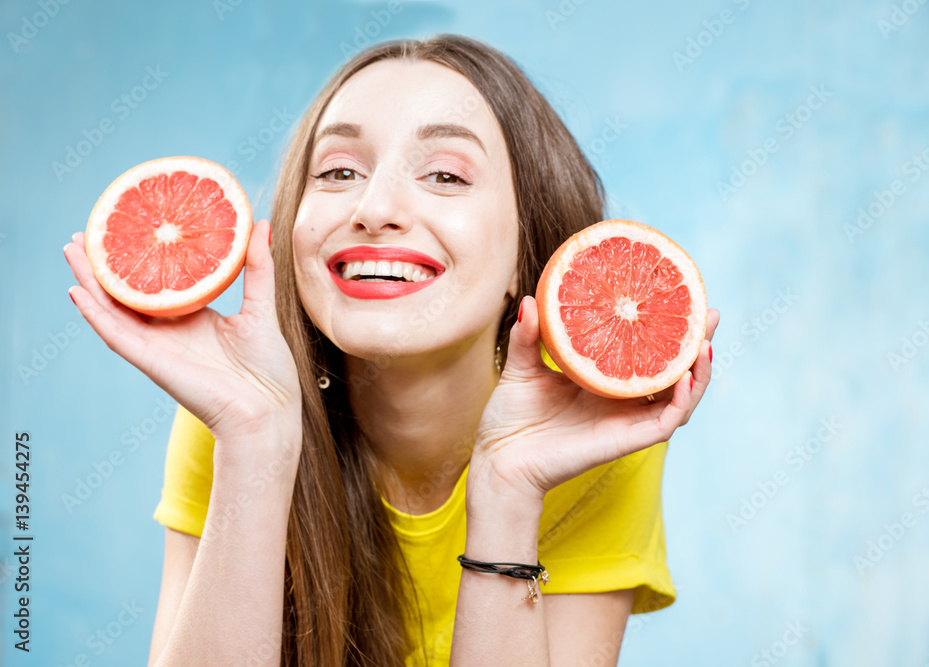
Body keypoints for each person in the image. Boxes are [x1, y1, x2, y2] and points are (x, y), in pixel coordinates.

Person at [64, 34, 720, 667]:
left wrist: (511, 488)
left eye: (445, 175)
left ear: (527, 250)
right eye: (339, 171)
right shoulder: (237, 407)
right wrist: (257, 439)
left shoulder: (587, 436)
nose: (374, 206)